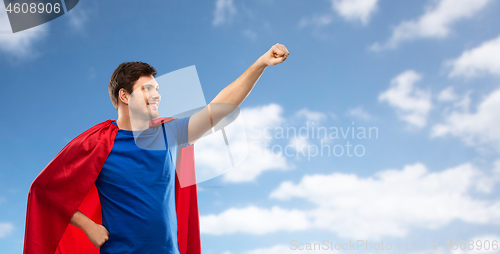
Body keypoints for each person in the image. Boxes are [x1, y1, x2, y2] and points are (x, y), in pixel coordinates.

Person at [23, 43, 289, 254]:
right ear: (124, 97)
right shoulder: (97, 143)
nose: (156, 94)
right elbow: (44, 190)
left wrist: (261, 63)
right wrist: (89, 226)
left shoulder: (167, 132)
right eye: (147, 88)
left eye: (157, 88)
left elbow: (218, 109)